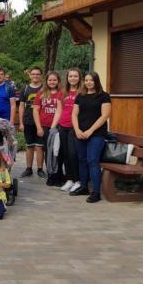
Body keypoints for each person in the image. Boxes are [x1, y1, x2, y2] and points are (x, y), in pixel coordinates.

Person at [71, 71, 112, 203]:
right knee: (82, 160)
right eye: (87, 80)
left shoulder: (104, 96)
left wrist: (90, 131)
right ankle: (84, 187)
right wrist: (77, 130)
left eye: (91, 80)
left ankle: (96, 192)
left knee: (92, 161)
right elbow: (74, 114)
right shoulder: (80, 96)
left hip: (97, 134)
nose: (88, 82)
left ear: (96, 81)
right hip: (80, 133)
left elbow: (105, 115)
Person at [33, 71, 64, 186]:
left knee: (58, 152)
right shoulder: (41, 93)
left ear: (58, 81)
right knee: (48, 152)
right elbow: (35, 110)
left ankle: (59, 175)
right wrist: (39, 127)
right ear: (46, 81)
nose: (52, 82)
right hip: (45, 127)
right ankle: (51, 175)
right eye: (50, 80)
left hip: (59, 127)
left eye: (54, 80)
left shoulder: (62, 93)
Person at [57, 69, 82, 193]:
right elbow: (59, 110)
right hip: (63, 126)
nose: (73, 78)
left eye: (75, 76)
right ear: (67, 78)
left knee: (73, 154)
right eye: (70, 76)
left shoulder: (82, 92)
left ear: (79, 78)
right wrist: (54, 126)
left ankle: (78, 180)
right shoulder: (63, 92)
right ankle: (70, 179)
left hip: (75, 127)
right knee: (66, 154)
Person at [19, 66, 45, 178]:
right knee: (29, 146)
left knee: (40, 147)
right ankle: (28, 168)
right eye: (33, 74)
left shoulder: (45, 88)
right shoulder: (25, 88)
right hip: (28, 121)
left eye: (37, 74)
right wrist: (20, 122)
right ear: (29, 75)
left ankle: (40, 169)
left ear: (41, 75)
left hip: (41, 121)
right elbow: (21, 106)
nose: (35, 76)